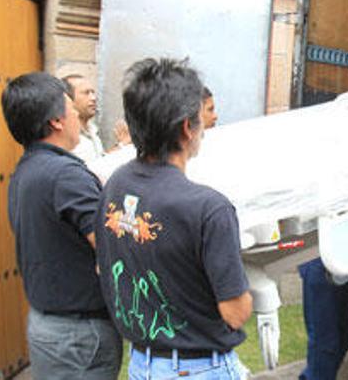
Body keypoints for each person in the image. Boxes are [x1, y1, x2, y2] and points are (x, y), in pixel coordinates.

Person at [95, 58, 251, 379]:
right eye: (201, 117)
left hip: (142, 365)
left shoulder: (115, 185)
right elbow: (235, 313)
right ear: (186, 127)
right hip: (197, 369)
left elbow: (104, 266)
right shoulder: (209, 208)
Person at [1, 73, 122, 379]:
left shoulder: (27, 169)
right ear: (56, 121)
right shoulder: (65, 175)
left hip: (51, 325)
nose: (76, 115)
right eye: (71, 106)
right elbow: (110, 247)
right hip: (77, 335)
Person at [61, 74, 130, 164]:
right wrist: (122, 145)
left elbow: (99, 162)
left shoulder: (92, 129)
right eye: (86, 93)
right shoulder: (66, 134)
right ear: (68, 98)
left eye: (93, 92)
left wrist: (120, 144)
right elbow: (92, 170)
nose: (93, 98)